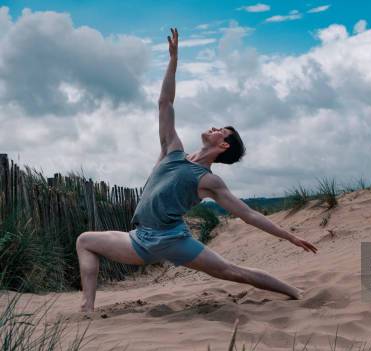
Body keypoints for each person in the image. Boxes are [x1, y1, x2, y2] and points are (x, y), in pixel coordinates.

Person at [76, 28, 317, 313]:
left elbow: (248, 214)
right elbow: (165, 103)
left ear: (224, 146)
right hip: (141, 239)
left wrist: (289, 236)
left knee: (232, 271)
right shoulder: (172, 149)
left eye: (221, 131)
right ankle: (87, 310)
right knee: (85, 241)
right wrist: (173, 59)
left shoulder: (208, 180)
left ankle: (295, 292)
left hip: (173, 240)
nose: (214, 128)